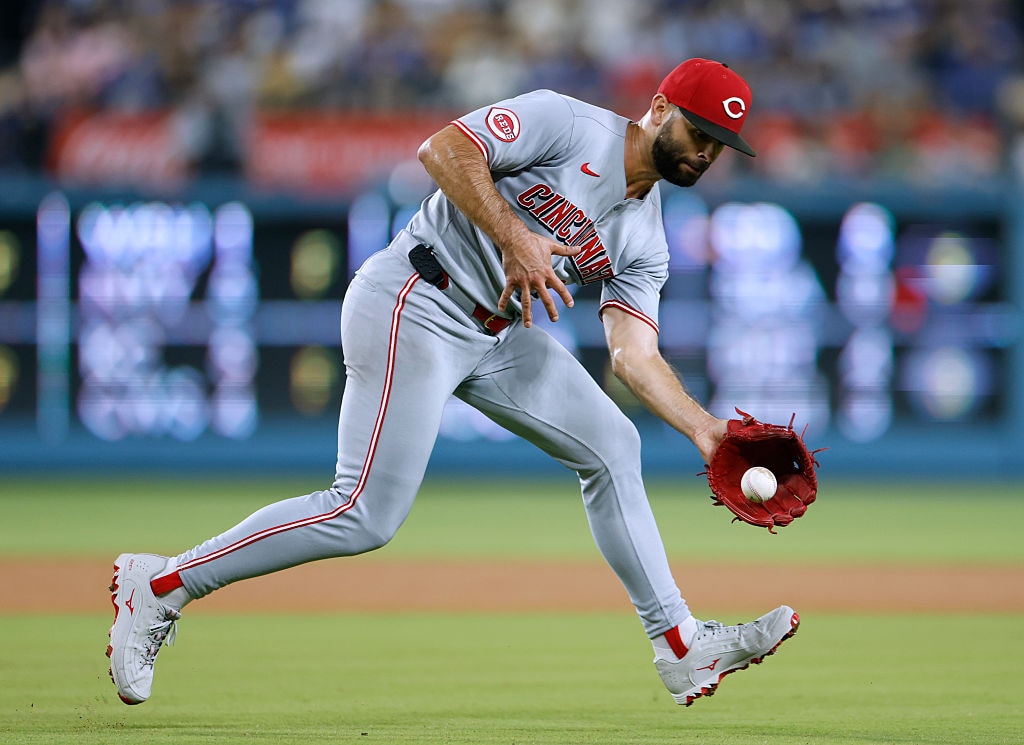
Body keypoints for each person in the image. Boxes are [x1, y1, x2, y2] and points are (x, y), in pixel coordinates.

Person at [107, 58, 800, 708]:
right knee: (363, 514)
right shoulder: (566, 122)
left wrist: (705, 429)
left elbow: (634, 353)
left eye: (719, 144)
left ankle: (679, 644)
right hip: (415, 295)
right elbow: (442, 149)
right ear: (658, 109)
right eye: (699, 130)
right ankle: (162, 584)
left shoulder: (645, 237)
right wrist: (512, 235)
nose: (705, 152)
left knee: (614, 444)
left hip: (495, 336)